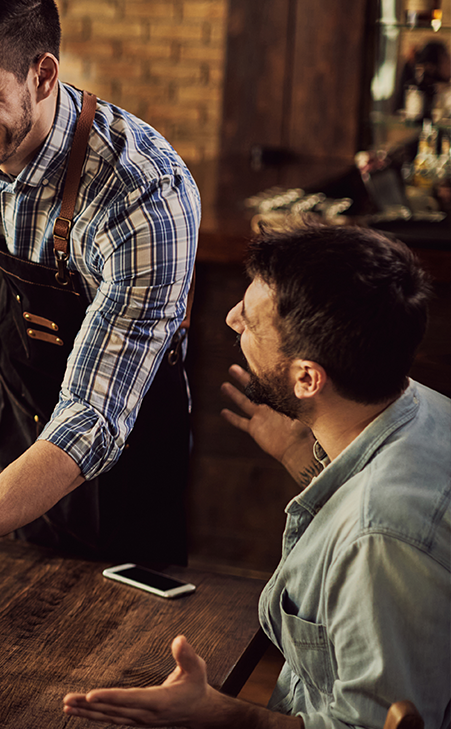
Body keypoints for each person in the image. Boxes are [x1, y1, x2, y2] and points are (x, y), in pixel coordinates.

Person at [0, 0, 201, 602]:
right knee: (12, 614)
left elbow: (92, 419)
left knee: (121, 649)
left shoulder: (143, 196)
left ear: (43, 76)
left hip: (124, 438)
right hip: (23, 394)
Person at [62, 225, 449, 729]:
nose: (231, 318)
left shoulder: (380, 541)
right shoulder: (422, 407)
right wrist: (305, 461)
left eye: (250, 321)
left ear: (307, 378)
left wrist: (218, 714)